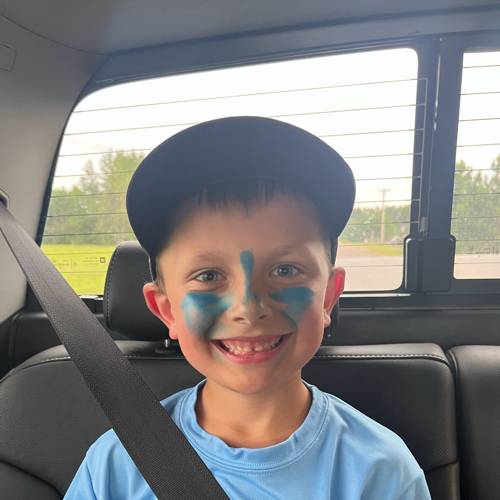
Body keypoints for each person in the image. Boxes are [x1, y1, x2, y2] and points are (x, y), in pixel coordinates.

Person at [64, 116, 431, 499]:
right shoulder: (115, 465)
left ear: (327, 297)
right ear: (168, 310)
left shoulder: (380, 470)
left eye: (285, 270)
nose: (248, 308)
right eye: (208, 276)